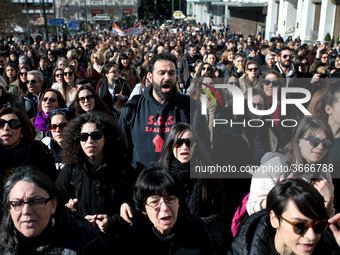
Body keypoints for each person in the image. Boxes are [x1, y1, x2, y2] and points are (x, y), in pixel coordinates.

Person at [118, 52, 210, 175]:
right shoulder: (132, 108)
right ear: (150, 77)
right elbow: (121, 151)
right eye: (161, 73)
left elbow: (203, 148)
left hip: (179, 186)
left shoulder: (191, 107)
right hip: (143, 184)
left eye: (171, 73)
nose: (167, 77)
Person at [0, 167, 110, 254]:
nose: (26, 211)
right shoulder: (3, 242)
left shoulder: (85, 238)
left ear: (53, 204)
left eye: (36, 201)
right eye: (18, 204)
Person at [55, 112, 129, 242]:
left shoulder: (122, 169)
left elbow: (138, 205)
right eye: (83, 136)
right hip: (82, 241)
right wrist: (74, 215)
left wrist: (112, 222)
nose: (89, 141)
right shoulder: (71, 170)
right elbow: (53, 203)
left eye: (96, 135)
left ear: (106, 138)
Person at [117, 164, 216, 255]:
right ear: (144, 208)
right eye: (154, 202)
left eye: (170, 200)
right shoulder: (131, 239)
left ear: (179, 202)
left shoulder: (197, 231)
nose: (164, 208)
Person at [246, 116, 334, 217]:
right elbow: (252, 208)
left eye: (326, 143)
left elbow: (326, 221)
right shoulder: (277, 165)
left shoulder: (324, 174)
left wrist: (329, 199)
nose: (320, 147)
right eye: (314, 141)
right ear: (298, 141)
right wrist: (280, 195)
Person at [228, 178, 340, 254]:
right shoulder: (245, 244)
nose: (312, 236)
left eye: (319, 225)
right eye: (300, 226)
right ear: (274, 219)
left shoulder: (330, 247)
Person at [0, 107, 57, 192]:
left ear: (22, 132)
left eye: (14, 124)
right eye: (1, 123)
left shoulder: (39, 154)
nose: (6, 128)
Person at [42, 108, 73, 174]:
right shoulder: (45, 151)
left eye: (63, 126)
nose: (58, 130)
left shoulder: (80, 149)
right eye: (53, 127)